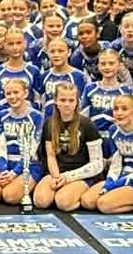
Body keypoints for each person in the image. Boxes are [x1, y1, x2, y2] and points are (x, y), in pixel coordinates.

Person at [33, 82, 104, 211]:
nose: (67, 104)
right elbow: (50, 155)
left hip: (82, 174)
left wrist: (69, 177)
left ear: (77, 102)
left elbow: (97, 164)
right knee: (40, 201)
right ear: (55, 101)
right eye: (62, 100)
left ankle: (85, 194)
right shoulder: (49, 124)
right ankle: (63, 191)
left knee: (64, 203)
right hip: (58, 173)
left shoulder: (87, 125)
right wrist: (55, 177)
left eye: (71, 100)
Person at [83, 93, 133, 214]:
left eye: (124, 109)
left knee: (104, 205)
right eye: (116, 109)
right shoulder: (113, 130)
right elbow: (116, 163)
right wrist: (110, 182)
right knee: (87, 201)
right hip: (122, 176)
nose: (119, 113)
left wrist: (115, 185)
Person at [0, 78, 43, 205]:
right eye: (8, 93)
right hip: (7, 164)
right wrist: (3, 171)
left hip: (29, 165)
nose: (12, 97)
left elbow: (31, 150)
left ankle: (31, 184)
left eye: (16, 92)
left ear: (26, 93)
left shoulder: (37, 117)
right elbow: (1, 147)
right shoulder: (1, 116)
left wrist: (14, 173)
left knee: (10, 197)